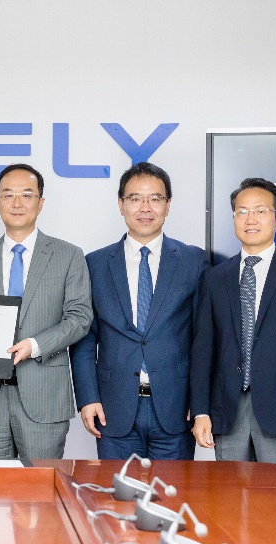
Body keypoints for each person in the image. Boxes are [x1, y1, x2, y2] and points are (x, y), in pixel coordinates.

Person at [70, 162, 208, 460]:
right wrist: (87, 398)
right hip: (113, 408)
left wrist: (200, 405)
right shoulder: (94, 264)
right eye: (135, 198)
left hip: (176, 407)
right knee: (116, 490)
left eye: (155, 198)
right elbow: (84, 339)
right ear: (121, 205)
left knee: (172, 491)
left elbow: (203, 340)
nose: (145, 207)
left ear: (168, 205)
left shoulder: (193, 261)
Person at [190, 177, 276, 468]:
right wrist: (200, 410)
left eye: (260, 211)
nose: (250, 219)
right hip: (227, 412)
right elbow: (203, 350)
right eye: (242, 211)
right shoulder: (215, 278)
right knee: (230, 493)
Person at [0, 163, 92, 460]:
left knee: (41, 486)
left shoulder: (69, 255)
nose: (17, 203)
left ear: (41, 203)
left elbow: (80, 317)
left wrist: (35, 345)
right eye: (8, 195)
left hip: (45, 397)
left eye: (27, 195)